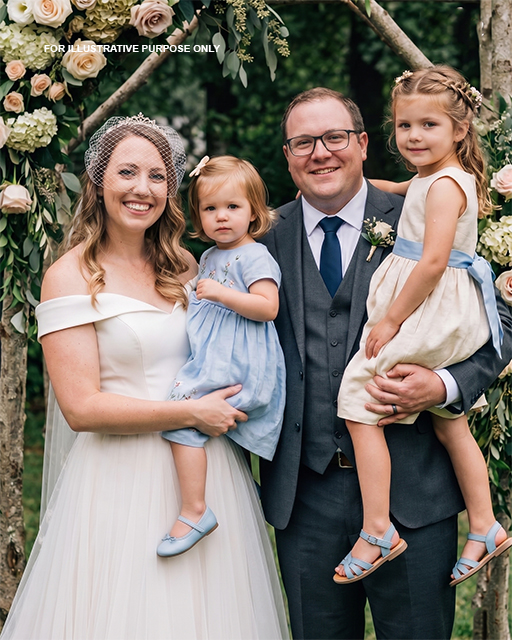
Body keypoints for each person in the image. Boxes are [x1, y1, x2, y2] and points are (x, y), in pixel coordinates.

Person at [0, 115, 288, 640]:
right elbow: (80, 408)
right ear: (98, 182)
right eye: (127, 172)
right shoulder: (69, 276)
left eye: (157, 176)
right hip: (118, 477)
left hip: (205, 470)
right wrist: (190, 411)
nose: (143, 188)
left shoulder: (187, 267)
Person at [259, 86, 512, 640]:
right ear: (287, 155)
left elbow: (498, 321)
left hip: (416, 495)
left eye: (335, 137)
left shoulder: (430, 208)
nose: (320, 153)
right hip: (305, 496)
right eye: (303, 142)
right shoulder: (261, 235)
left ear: (363, 144)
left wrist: (444, 385)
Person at [335, 66, 512, 586]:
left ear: (459, 129)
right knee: (449, 419)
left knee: (358, 399)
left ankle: (377, 530)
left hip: (429, 305)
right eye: (404, 125)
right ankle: (484, 525)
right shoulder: (435, 178)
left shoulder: (445, 187)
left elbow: (433, 262)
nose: (413, 136)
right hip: (442, 306)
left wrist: (391, 320)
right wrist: (356, 184)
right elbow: (401, 188)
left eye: (428, 125)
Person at [157, 155, 285, 557]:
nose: (222, 217)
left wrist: (221, 293)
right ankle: (241, 491)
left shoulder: (255, 255)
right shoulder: (210, 256)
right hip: (218, 357)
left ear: (254, 212)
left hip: (239, 361)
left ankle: (195, 509)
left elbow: (268, 307)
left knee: (181, 415)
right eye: (210, 208)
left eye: (232, 206)